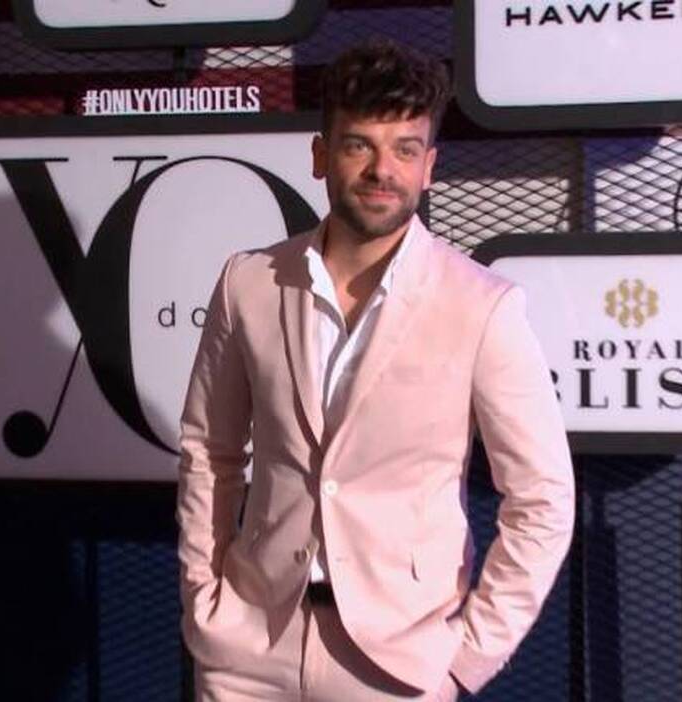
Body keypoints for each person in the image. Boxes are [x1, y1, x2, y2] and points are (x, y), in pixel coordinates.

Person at [176, 38, 575, 701]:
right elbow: (208, 453)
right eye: (359, 145)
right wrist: (204, 601)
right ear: (320, 155)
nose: (381, 169)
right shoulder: (248, 282)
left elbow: (542, 496)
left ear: (429, 167)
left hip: (399, 664)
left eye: (405, 150)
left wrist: (466, 658)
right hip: (248, 648)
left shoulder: (482, 306)